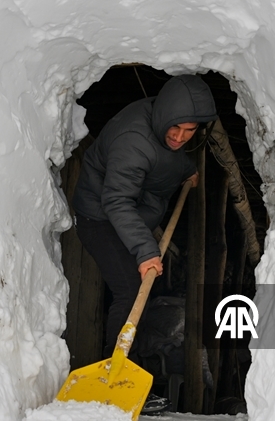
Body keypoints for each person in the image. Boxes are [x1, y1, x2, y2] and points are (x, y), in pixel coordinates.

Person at [72, 74, 218, 372]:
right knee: (130, 289)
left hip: (130, 214)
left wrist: (187, 170)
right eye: (175, 128)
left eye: (189, 130)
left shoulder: (162, 130)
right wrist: (145, 250)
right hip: (100, 216)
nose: (179, 137)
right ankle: (115, 373)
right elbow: (117, 200)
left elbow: (165, 157)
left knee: (137, 287)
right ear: (163, 116)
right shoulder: (133, 141)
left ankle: (124, 367)